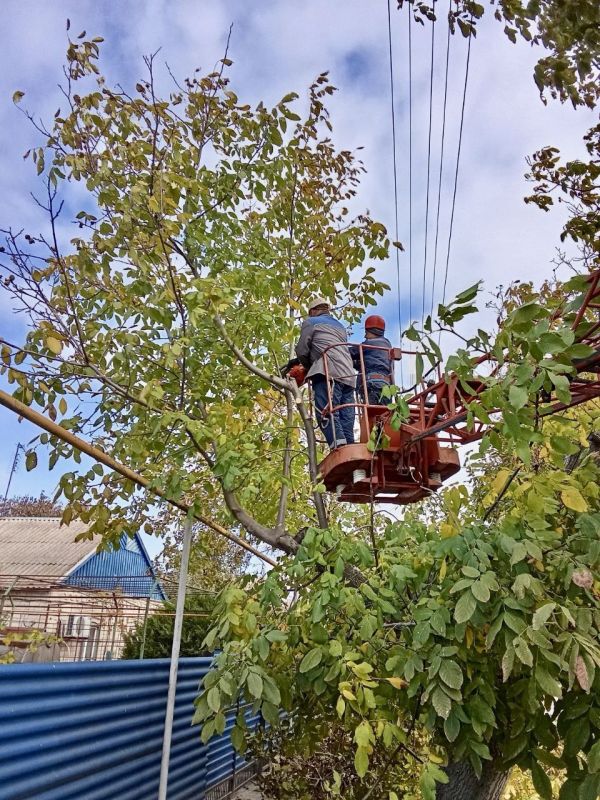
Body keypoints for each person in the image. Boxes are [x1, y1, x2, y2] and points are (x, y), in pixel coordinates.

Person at [295, 298, 356, 450]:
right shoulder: (340, 326)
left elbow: (302, 350)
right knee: (346, 416)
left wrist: (308, 367)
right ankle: (349, 447)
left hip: (328, 373)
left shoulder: (311, 322)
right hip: (348, 375)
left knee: (325, 412)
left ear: (312, 311)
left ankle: (338, 446)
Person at [351, 315, 393, 405]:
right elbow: (371, 362)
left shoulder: (369, 344)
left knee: (372, 411)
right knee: (384, 412)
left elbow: (350, 352)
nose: (365, 336)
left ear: (371, 331)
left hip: (373, 385)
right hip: (387, 386)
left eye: (366, 332)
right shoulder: (387, 345)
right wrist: (356, 363)